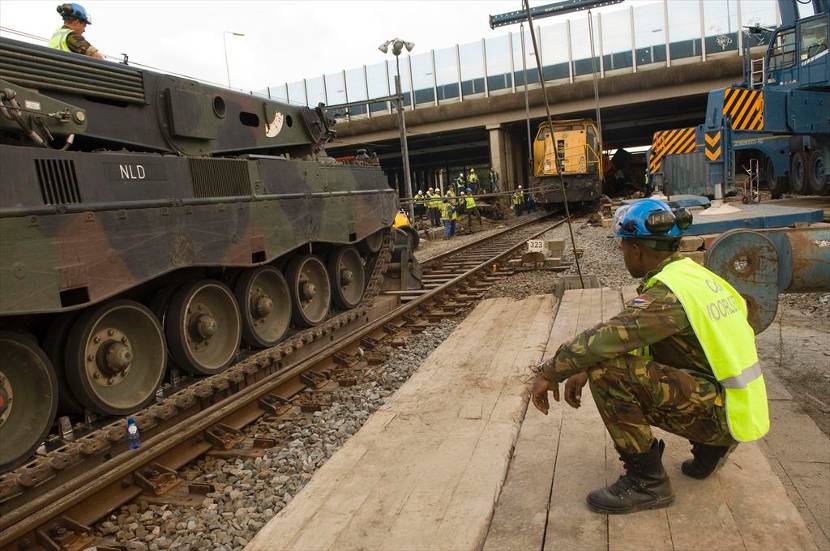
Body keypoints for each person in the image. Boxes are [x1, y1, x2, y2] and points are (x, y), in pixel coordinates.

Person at [530, 198, 769, 515]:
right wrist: (583, 364)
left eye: (623, 247)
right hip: (738, 408)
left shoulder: (668, 295)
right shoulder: (697, 278)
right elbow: (641, 337)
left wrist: (551, 371)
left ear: (636, 249)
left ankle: (648, 482)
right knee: (611, 359)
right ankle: (712, 447)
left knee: (606, 370)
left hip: (721, 413)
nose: (623, 253)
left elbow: (607, 338)